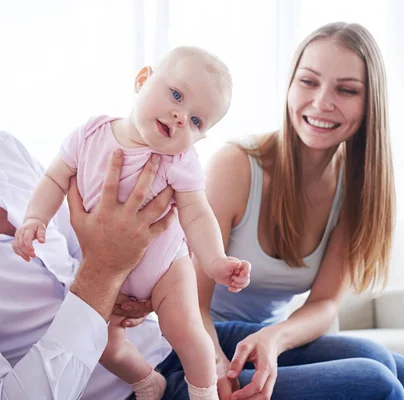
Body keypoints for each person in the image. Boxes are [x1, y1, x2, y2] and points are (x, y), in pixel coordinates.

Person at [0, 61, 404, 400]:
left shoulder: (1, 151)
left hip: (167, 330)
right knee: (372, 383)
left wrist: (132, 279)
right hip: (136, 385)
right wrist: (103, 274)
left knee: (395, 365)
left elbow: (93, 230)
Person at [197, 22, 404, 400]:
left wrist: (274, 338)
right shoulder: (235, 166)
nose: (321, 102)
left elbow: (324, 303)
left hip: (262, 343)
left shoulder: (354, 191)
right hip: (195, 342)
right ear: (290, 84)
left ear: (370, 103)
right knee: (378, 380)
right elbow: (189, 305)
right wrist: (218, 368)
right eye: (308, 82)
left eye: (347, 90)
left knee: (401, 368)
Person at [13, 46, 250, 400]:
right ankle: (146, 381)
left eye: (197, 121)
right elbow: (54, 178)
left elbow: (198, 214)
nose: (181, 116)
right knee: (103, 346)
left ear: (201, 137)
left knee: (185, 331)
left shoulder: (180, 161)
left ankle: (203, 394)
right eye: (176, 94)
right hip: (107, 274)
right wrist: (35, 217)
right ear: (143, 80)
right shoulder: (90, 135)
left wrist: (215, 262)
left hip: (167, 269)